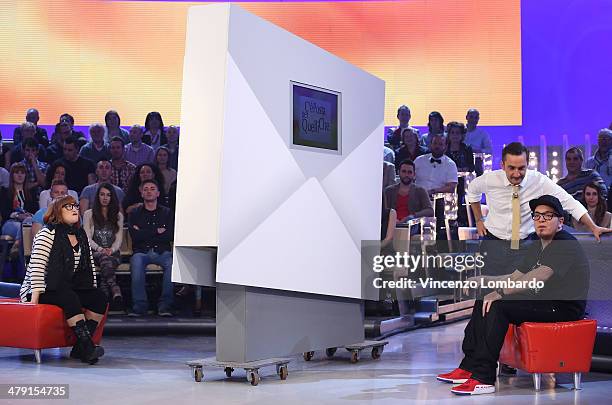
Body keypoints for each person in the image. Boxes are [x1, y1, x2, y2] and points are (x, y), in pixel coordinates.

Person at [437, 195, 589, 395]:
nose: (541, 220)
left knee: (498, 305)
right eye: (537, 216)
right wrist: (485, 280)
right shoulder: (537, 243)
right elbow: (516, 276)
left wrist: (501, 293)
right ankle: (469, 366)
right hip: (541, 302)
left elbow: (538, 277)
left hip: (562, 308)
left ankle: (483, 377)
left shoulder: (564, 243)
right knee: (485, 297)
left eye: (547, 216)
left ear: (560, 221)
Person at [467, 142, 611, 277]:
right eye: (511, 168)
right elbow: (472, 192)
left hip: (526, 246)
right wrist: (479, 219)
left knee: (518, 295)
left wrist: (593, 227)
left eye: (521, 168)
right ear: (503, 165)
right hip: (493, 244)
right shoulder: (490, 179)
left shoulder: (538, 180)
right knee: (488, 291)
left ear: (527, 165)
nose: (517, 174)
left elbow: (569, 202)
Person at [19, 195, 107, 365]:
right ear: (57, 211)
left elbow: (88, 268)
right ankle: (88, 347)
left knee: (99, 298)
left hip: (66, 287)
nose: (75, 209)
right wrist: (33, 302)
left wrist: (92, 288)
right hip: (41, 288)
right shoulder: (47, 233)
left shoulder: (80, 234)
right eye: (68, 207)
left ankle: (79, 348)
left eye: (75, 206)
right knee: (68, 296)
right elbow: (37, 268)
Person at [128, 179, 174, 317]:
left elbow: (169, 235)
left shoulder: (167, 213)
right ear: (141, 193)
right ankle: (140, 307)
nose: (149, 191)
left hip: (162, 251)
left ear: (158, 193)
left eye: (152, 188)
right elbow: (135, 236)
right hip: (141, 252)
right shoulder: (134, 213)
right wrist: (156, 231)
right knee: (136, 263)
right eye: (146, 189)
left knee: (172, 265)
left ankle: (165, 306)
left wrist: (144, 231)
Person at [83, 183, 124, 307]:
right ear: (97, 196)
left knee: (106, 262)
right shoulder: (88, 214)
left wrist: (111, 250)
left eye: (108, 195)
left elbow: (118, 239)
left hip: (113, 253)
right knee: (104, 259)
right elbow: (87, 238)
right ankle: (115, 288)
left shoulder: (118, 215)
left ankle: (104, 302)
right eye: (102, 194)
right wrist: (100, 249)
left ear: (112, 197)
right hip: (94, 253)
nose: (105, 198)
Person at [0, 163, 38, 260]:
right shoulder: (4, 191)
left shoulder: (31, 193)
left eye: (22, 173)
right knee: (25, 228)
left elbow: (35, 211)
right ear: (12, 175)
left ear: (26, 175)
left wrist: (28, 215)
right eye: (17, 173)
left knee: (26, 225)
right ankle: (29, 262)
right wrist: (17, 215)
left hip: (27, 222)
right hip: (9, 223)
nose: (20, 175)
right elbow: (4, 212)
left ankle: (17, 246)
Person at [464, 109, 492, 176]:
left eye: (476, 117)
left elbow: (489, 150)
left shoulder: (483, 134)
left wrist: (478, 150)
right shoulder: (460, 132)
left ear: (478, 119)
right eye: (471, 117)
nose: (473, 119)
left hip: (477, 165)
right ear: (466, 117)